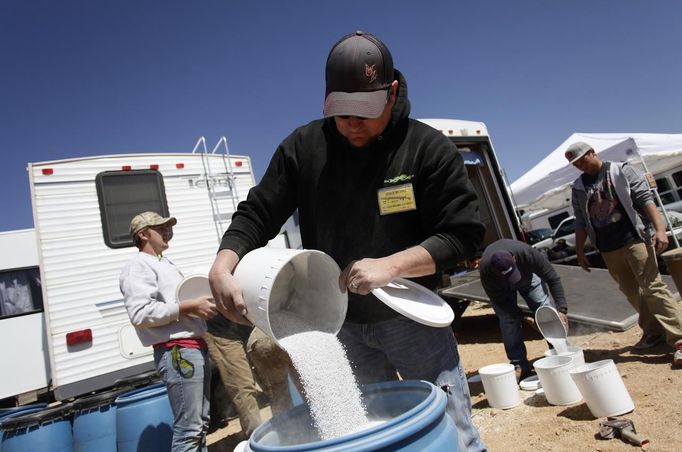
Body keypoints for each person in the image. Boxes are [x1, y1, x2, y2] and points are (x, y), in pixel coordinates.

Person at [209, 31, 487, 451]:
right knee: (369, 432)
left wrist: (390, 265)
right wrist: (223, 262)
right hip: (337, 324)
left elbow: (464, 233)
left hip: (411, 320)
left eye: (365, 112)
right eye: (342, 113)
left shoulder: (426, 148)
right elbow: (258, 211)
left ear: (392, 93)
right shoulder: (304, 148)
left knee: (450, 427)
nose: (353, 125)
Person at [567, 142, 682, 367]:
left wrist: (660, 229)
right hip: (608, 248)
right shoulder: (578, 187)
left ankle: (679, 339)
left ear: (593, 153)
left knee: (652, 287)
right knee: (631, 292)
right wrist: (580, 250)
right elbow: (580, 220)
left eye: (583, 159)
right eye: (576, 164)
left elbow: (645, 199)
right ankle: (653, 332)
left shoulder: (621, 170)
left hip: (635, 239)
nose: (580, 166)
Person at [119, 211, 217, 451]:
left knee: (200, 424)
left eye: (168, 226)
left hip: (192, 348)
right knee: (189, 429)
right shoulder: (137, 265)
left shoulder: (164, 263)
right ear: (143, 234)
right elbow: (140, 313)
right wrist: (191, 306)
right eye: (160, 227)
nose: (167, 230)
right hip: (178, 351)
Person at [479, 239, 569, 380]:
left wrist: (562, 310)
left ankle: (560, 352)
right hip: (501, 289)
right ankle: (519, 365)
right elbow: (502, 303)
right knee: (508, 320)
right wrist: (525, 318)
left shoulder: (527, 253)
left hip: (528, 277)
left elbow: (553, 279)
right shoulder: (486, 271)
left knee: (544, 309)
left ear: (514, 259)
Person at [204, 316, 263, 437]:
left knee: (272, 382)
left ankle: (287, 429)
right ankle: (258, 439)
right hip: (220, 332)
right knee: (242, 387)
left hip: (249, 324)